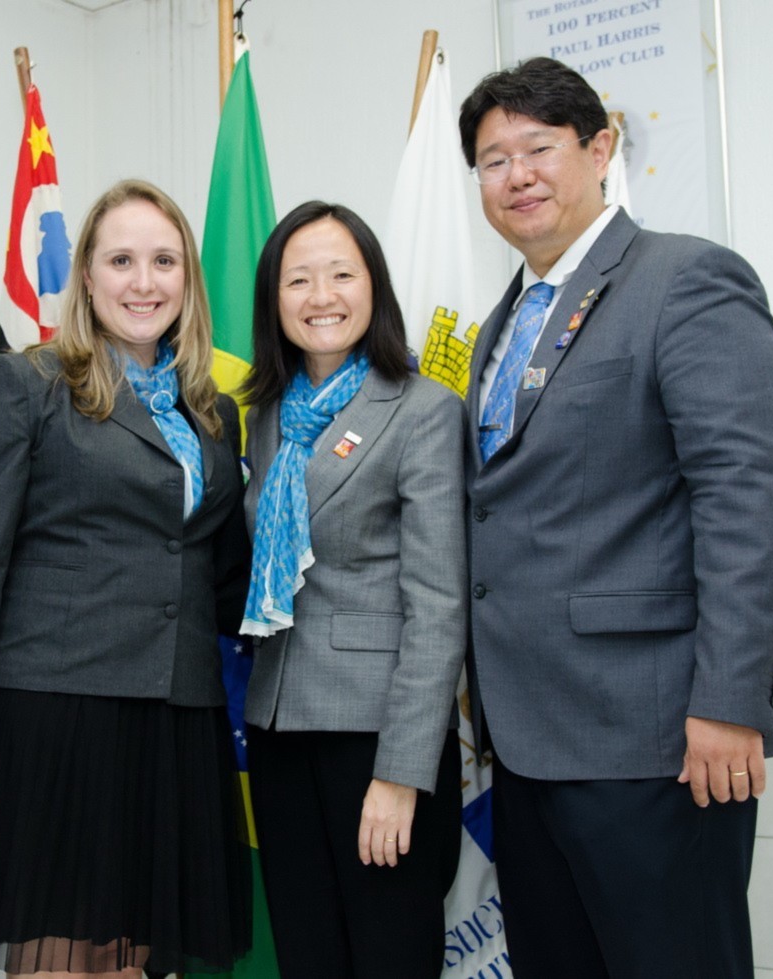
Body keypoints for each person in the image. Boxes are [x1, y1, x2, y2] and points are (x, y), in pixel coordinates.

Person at [457, 57, 773, 976]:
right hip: (527, 747)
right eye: (493, 160)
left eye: (539, 148)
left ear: (600, 148)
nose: (518, 175)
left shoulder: (684, 279)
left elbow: (750, 489)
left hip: (657, 740)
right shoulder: (500, 326)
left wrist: (729, 700)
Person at [0, 179, 252, 978]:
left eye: (164, 261)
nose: (144, 281)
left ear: (188, 279)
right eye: (121, 260)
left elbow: (219, 572)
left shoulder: (213, 412)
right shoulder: (27, 383)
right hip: (56, 714)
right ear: (86, 277)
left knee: (136, 964)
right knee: (61, 964)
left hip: (176, 717)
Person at [238, 201, 468, 978]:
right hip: (277, 728)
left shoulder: (423, 410)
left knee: (390, 955)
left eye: (342, 274)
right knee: (309, 957)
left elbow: (438, 607)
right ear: (274, 298)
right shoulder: (267, 417)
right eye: (298, 279)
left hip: (377, 738)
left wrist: (400, 774)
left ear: (375, 286)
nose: (321, 296)